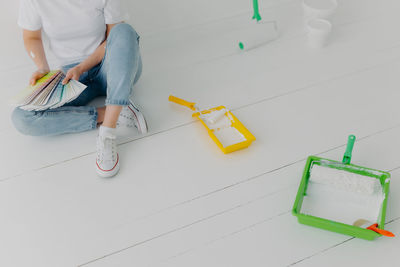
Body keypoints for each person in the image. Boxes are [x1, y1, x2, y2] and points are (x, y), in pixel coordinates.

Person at [12, 0, 147, 178]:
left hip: (110, 66)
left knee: (125, 30)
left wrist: (83, 66)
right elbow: (31, 37)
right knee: (22, 117)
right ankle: (112, 112)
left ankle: (107, 131)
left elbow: (115, 37)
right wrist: (43, 68)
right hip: (71, 77)